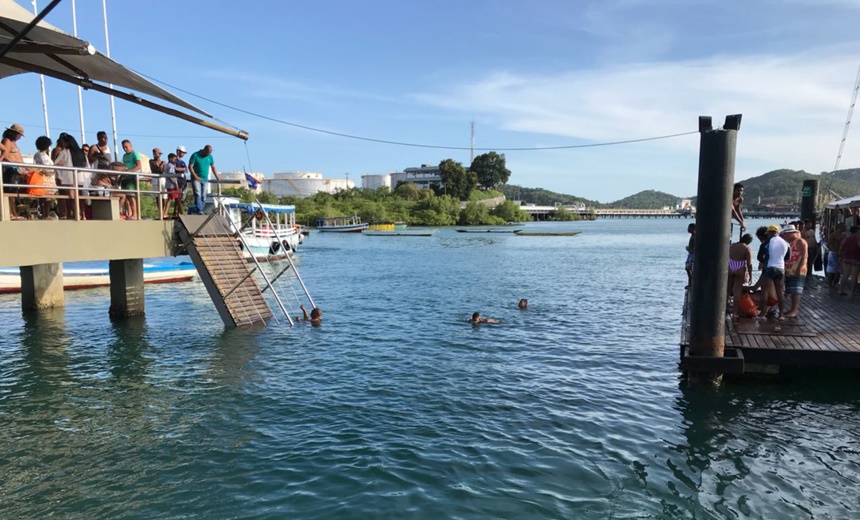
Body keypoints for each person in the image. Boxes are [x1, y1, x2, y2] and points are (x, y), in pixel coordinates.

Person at [759, 224, 790, 319]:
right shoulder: (785, 243)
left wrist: (763, 262)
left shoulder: (766, 243)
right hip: (780, 268)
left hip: (769, 267)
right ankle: (781, 314)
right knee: (780, 292)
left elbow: (759, 257)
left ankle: (762, 314)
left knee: (764, 291)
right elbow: (787, 257)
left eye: (767, 233)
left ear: (769, 233)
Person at [0, 123, 26, 220]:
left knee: (14, 192)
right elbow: (5, 154)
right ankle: (11, 213)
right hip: (10, 169)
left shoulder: (14, 143)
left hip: (17, 169)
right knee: (10, 191)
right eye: (19, 135)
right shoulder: (6, 141)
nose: (20, 137)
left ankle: (14, 212)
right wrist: (13, 162)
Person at [781, 225, 808, 318]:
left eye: (786, 234)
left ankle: (794, 310)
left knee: (796, 290)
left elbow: (804, 256)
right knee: (789, 289)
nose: (784, 236)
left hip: (797, 269)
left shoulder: (800, 241)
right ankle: (791, 309)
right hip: (789, 269)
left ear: (792, 233)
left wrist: (798, 269)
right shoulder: (789, 242)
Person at [187, 144, 220, 215]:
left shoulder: (210, 157)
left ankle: (199, 209)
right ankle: (200, 210)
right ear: (204, 150)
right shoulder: (195, 155)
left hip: (205, 179)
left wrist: (217, 176)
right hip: (196, 178)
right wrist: (195, 176)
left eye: (210, 153)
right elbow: (190, 166)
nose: (208, 154)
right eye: (207, 153)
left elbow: (213, 167)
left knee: (204, 195)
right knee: (197, 193)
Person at [728, 234, 754, 319]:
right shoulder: (747, 248)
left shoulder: (732, 245)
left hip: (731, 265)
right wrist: (750, 275)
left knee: (727, 290)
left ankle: (724, 308)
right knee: (737, 291)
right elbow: (749, 264)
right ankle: (735, 313)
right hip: (740, 267)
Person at [32, 135, 57, 220]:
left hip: (40, 177)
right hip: (47, 177)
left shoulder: (36, 154)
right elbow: (46, 168)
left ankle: (44, 214)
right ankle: (46, 215)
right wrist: (55, 169)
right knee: (47, 198)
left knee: (43, 198)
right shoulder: (44, 156)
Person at [121, 139, 142, 220]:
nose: (125, 149)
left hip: (131, 177)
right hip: (124, 177)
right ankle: (129, 213)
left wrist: (129, 171)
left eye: (126, 147)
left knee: (131, 196)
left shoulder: (135, 154)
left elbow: (139, 166)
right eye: (123, 147)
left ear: (130, 145)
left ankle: (135, 214)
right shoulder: (124, 156)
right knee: (125, 196)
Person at [839, 226, 860, 296]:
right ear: (857, 231)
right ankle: (852, 292)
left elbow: (841, 247)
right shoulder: (858, 239)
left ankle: (841, 290)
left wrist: (841, 254)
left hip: (846, 258)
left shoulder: (846, 239)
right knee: (854, 276)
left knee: (845, 274)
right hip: (856, 259)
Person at [826, 223, 847, 287]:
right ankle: (830, 284)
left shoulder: (844, 235)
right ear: (840, 227)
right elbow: (828, 244)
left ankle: (834, 284)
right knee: (831, 270)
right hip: (833, 254)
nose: (845, 228)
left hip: (840, 254)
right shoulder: (833, 235)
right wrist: (835, 251)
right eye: (844, 227)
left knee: (839, 271)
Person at [162, 152, 179, 218]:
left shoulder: (166, 165)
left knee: (170, 198)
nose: (175, 160)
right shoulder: (170, 166)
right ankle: (165, 213)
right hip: (171, 185)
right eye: (174, 159)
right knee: (170, 199)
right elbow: (170, 175)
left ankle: (164, 212)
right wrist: (174, 183)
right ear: (170, 158)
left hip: (168, 184)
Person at [685, 223, 695, 287]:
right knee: (688, 268)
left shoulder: (694, 236)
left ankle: (691, 282)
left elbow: (695, 246)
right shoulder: (693, 236)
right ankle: (690, 281)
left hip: (692, 253)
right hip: (691, 253)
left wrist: (691, 249)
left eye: (689, 228)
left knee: (688, 267)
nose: (688, 229)